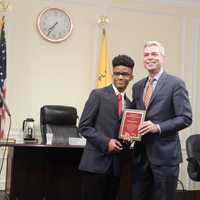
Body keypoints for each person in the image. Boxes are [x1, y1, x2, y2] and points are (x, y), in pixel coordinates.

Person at [131, 41, 192, 200]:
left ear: (162, 58)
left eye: (154, 54)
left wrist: (157, 127)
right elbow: (134, 114)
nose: (149, 57)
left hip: (165, 157)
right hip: (140, 156)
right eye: (146, 55)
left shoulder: (176, 84)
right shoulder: (137, 86)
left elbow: (185, 118)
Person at [79, 54, 135, 200]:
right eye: (117, 73)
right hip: (94, 165)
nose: (121, 77)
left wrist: (128, 140)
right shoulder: (98, 95)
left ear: (131, 77)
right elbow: (84, 126)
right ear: (112, 74)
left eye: (125, 74)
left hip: (116, 167)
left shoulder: (130, 105)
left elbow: (124, 133)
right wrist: (106, 142)